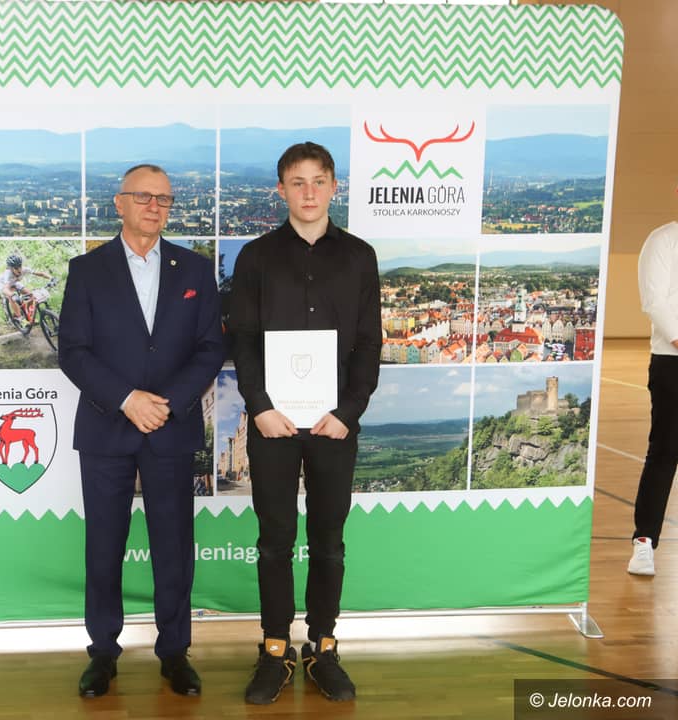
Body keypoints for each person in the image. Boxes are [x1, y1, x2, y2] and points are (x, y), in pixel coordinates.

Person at [58, 164, 223, 698]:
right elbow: (73, 352)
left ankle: (175, 652)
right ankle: (103, 652)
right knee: (103, 546)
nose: (155, 207)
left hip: (170, 429)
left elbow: (210, 350)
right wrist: (128, 399)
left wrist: (165, 405)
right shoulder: (87, 270)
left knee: (173, 547)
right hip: (107, 427)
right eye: (144, 197)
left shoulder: (195, 269)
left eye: (164, 199)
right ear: (120, 203)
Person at [227, 143, 380, 704]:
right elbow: (242, 338)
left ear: (335, 187)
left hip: (334, 425)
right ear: (281, 190)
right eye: (297, 182)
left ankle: (323, 647)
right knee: (274, 542)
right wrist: (259, 406)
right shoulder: (256, 257)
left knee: (329, 543)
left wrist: (348, 411)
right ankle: (275, 650)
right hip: (273, 423)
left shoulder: (360, 257)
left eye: (319, 181)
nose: (309, 192)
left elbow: (369, 343)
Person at [629, 216, 678, 576]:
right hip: (671, 361)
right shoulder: (662, 240)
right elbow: (654, 301)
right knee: (665, 451)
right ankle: (644, 542)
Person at [0, 254, 52, 333]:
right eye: (16, 268)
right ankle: (20, 318)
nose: (19, 270)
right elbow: (6, 288)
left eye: (20, 266)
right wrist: (12, 295)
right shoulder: (8, 274)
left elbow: (40, 273)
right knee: (11, 296)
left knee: (31, 295)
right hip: (2, 284)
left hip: (14, 282)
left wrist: (51, 278)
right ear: (11, 268)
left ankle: (27, 314)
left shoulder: (24, 269)